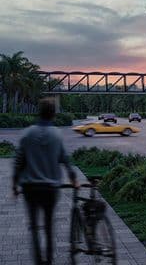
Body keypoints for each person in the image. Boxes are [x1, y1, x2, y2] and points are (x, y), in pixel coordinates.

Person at [12, 99, 77, 265]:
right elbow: (64, 158)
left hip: (30, 188)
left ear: (38, 113)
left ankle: (38, 261)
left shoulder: (27, 133)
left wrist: (14, 183)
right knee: (49, 226)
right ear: (53, 114)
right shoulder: (57, 134)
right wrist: (73, 177)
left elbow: (19, 161)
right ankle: (48, 261)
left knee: (34, 226)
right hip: (51, 188)